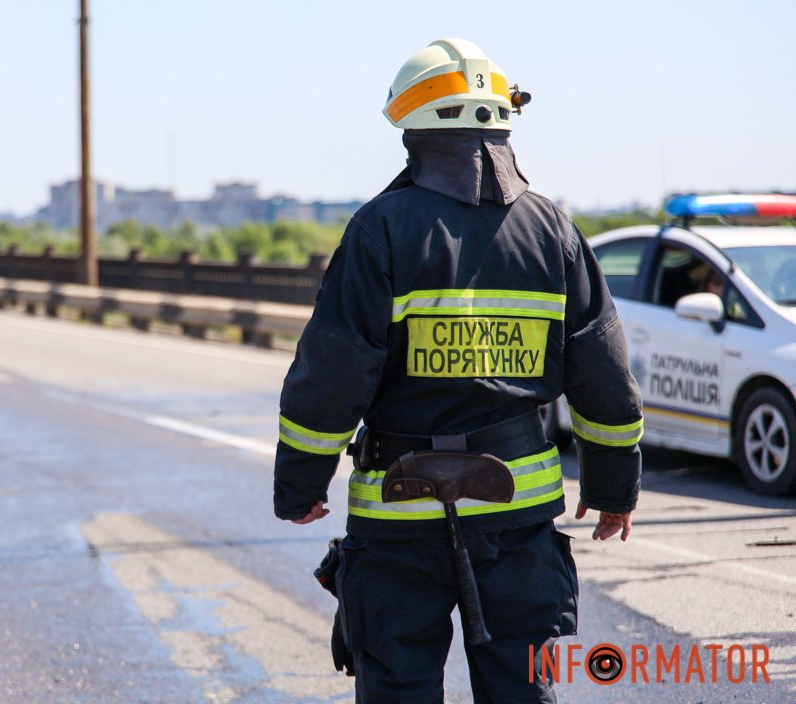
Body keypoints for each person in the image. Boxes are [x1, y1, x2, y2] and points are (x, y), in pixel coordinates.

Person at [274, 38, 643, 703]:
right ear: (504, 121)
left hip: (398, 516)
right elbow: (602, 370)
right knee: (519, 689)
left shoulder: (379, 228)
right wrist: (613, 485)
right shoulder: (552, 229)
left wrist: (299, 483)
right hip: (517, 516)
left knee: (398, 686)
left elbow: (334, 371)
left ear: (413, 130)